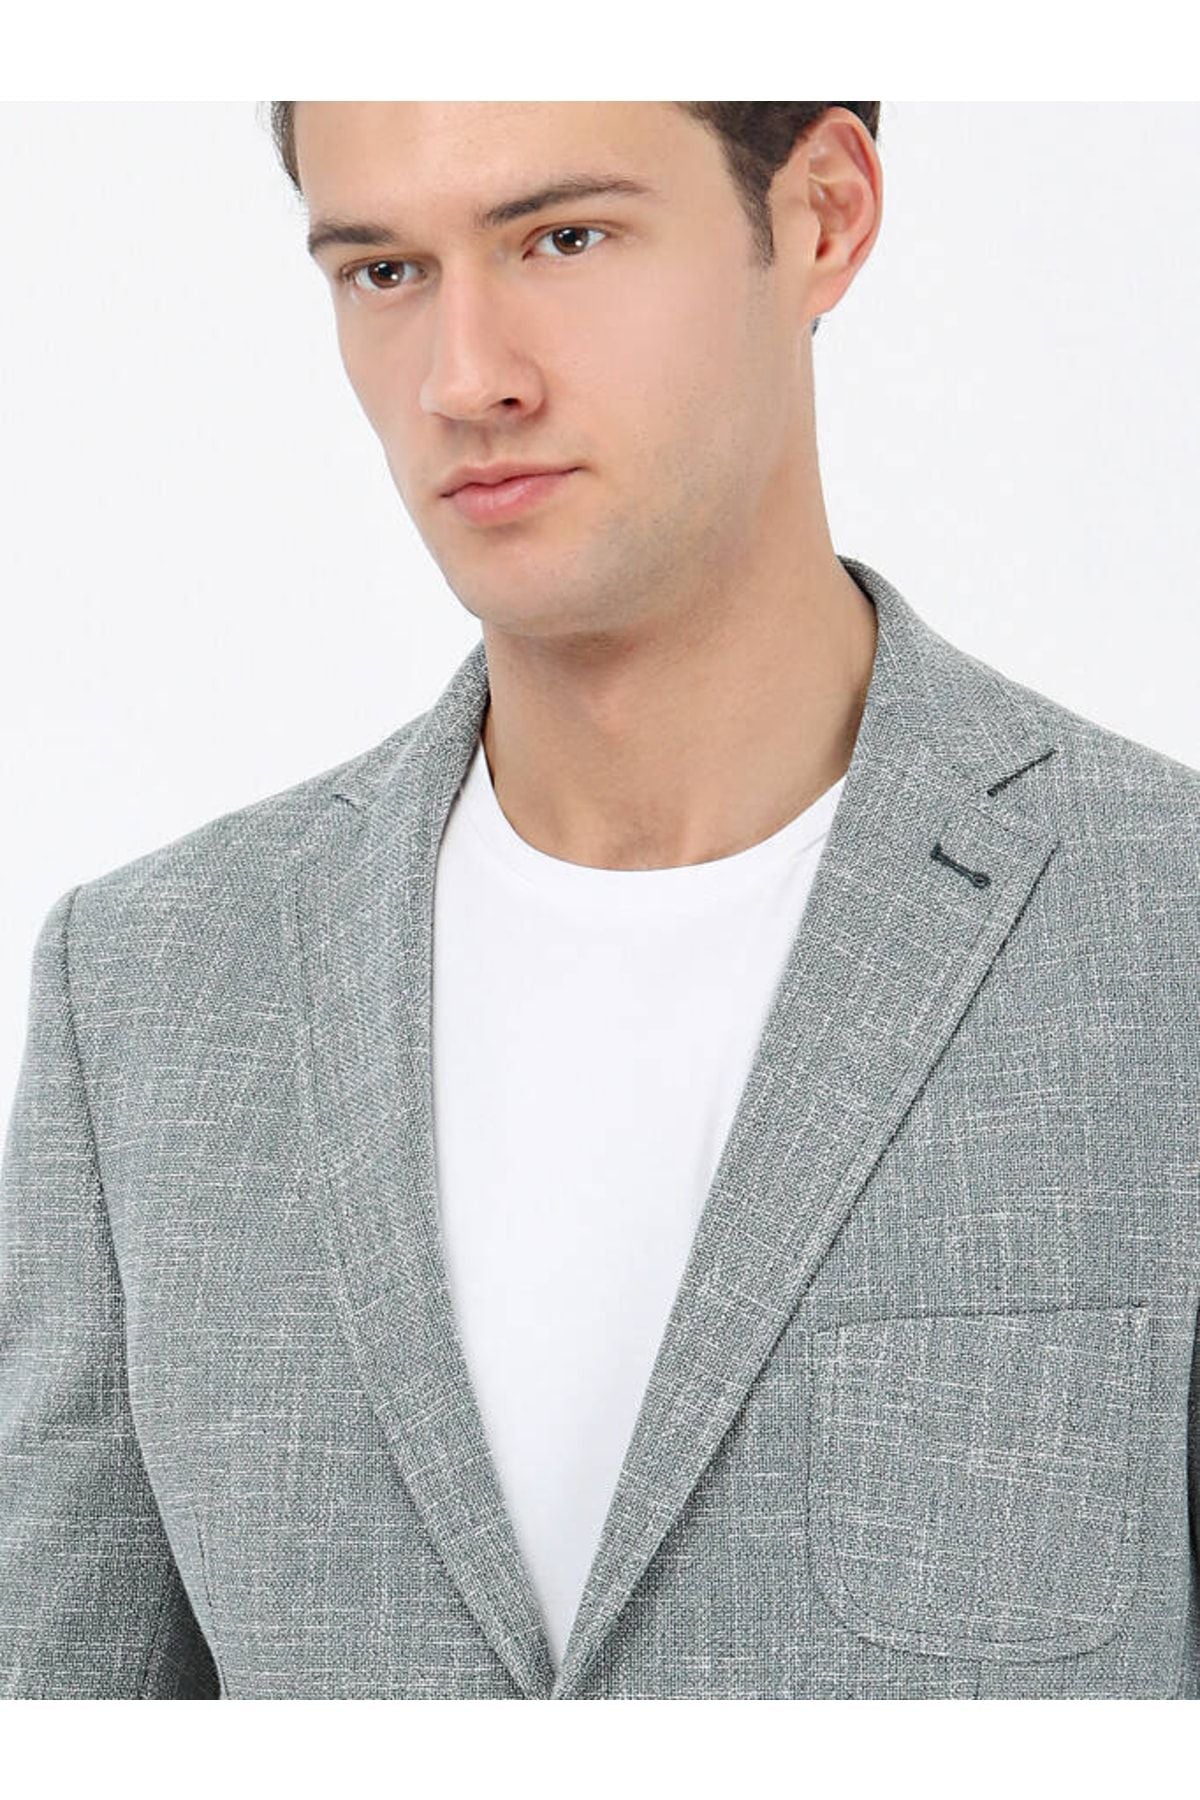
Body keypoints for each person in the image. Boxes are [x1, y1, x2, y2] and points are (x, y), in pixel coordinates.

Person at [0, 101, 1197, 1702]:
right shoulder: (147, 990)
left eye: (564, 238)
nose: (464, 378)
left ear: (824, 214)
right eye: (383, 269)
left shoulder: (1162, 933)